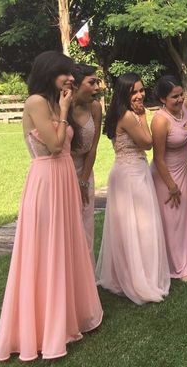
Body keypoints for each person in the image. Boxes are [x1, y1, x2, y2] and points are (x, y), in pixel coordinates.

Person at [0, 51, 102, 361]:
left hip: (65, 178)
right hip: (45, 179)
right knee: (44, 250)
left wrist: (65, 106)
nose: (71, 78)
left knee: (67, 246)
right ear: (48, 72)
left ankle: (69, 315)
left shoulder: (55, 102)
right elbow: (54, 146)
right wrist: (65, 110)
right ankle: (41, 325)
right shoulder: (37, 103)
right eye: (65, 73)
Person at [95, 73, 170, 304]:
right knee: (138, 225)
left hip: (132, 171)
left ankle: (131, 273)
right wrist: (143, 116)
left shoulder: (123, 113)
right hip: (130, 176)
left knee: (133, 226)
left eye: (141, 90)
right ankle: (138, 278)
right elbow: (147, 143)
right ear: (124, 94)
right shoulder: (128, 116)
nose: (140, 95)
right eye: (134, 92)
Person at [151, 75, 187, 283]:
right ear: (162, 99)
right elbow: (158, 158)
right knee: (172, 221)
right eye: (174, 97)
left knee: (183, 218)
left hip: (183, 170)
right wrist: (171, 185)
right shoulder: (160, 120)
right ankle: (177, 267)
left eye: (181, 95)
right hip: (166, 175)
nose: (180, 100)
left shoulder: (184, 107)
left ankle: (186, 261)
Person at [70, 63, 102, 261]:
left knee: (86, 225)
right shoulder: (60, 107)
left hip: (85, 171)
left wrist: (83, 180)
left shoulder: (96, 107)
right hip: (63, 171)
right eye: (91, 82)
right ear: (75, 85)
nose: (97, 87)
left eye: (97, 82)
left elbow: (93, 148)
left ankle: (86, 282)